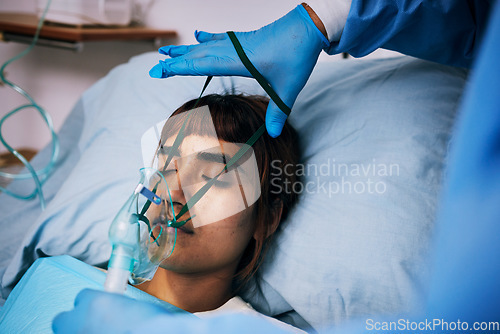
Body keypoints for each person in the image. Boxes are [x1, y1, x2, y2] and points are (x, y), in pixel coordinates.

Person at [53, 0, 500, 332]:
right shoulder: (55, 278)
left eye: (214, 174)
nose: (174, 190)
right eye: (166, 165)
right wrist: (322, 18)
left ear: (265, 219)